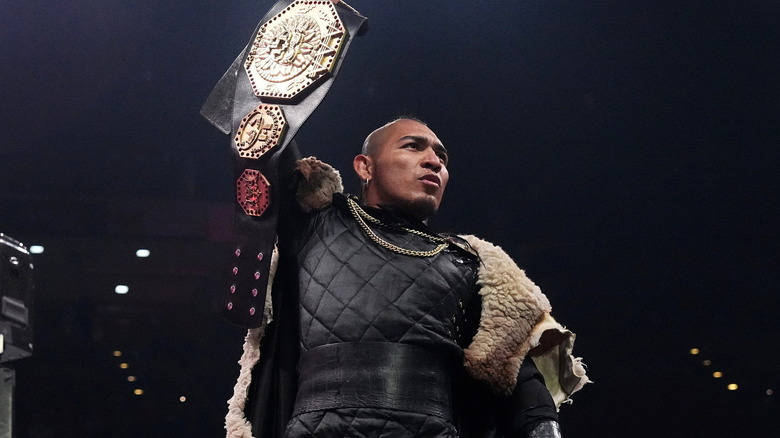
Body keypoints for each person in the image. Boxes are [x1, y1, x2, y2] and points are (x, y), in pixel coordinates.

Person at [225, 118, 589, 438]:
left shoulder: (472, 262)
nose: (433, 161)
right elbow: (262, 128)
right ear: (365, 166)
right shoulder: (313, 222)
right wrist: (307, 45)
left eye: (442, 158)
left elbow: (515, 372)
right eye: (413, 146)